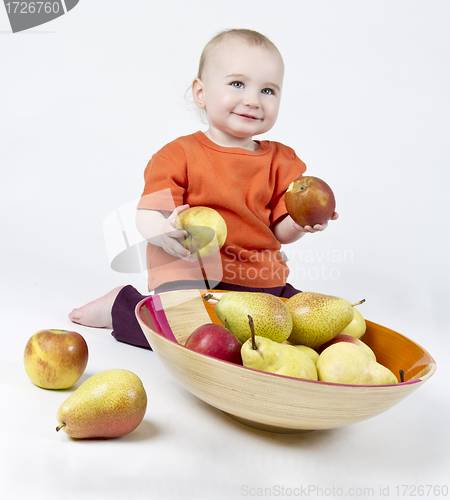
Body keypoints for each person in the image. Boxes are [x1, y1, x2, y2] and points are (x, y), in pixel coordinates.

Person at [69, 29, 338, 349]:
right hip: (194, 281)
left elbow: (281, 231)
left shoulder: (282, 161)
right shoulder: (178, 155)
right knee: (191, 340)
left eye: (268, 90)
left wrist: (301, 221)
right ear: (201, 92)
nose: (252, 99)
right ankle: (123, 306)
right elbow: (148, 213)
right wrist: (161, 230)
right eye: (237, 84)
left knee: (298, 335)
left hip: (261, 281)